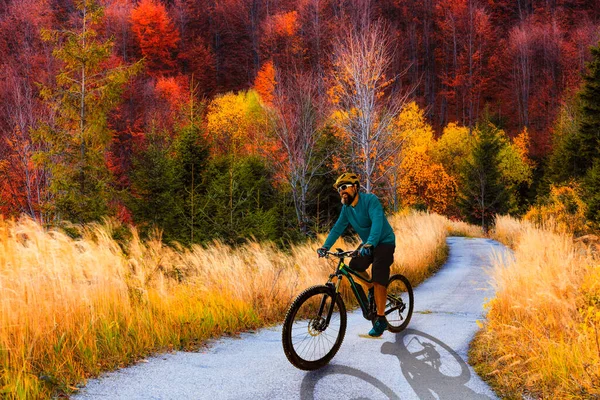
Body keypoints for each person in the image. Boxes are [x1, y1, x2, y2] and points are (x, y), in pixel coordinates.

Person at [317, 172, 396, 337]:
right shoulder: (346, 209)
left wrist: (370, 243)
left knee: (379, 273)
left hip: (384, 242)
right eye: (339, 189)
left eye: (344, 187)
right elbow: (338, 228)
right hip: (368, 243)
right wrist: (325, 246)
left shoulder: (370, 201)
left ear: (355, 187)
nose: (342, 191)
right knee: (354, 266)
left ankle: (381, 319)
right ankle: (371, 289)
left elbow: (377, 223)